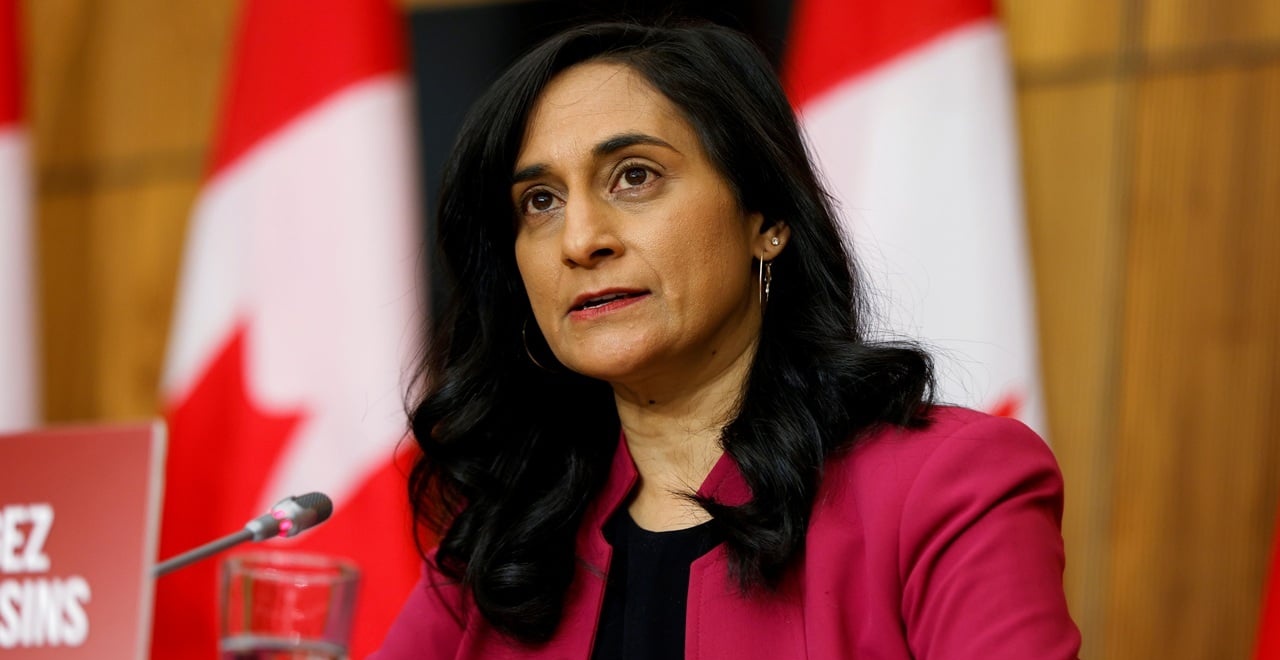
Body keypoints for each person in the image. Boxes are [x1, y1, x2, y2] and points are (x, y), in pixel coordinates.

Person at [374, 20, 1080, 660]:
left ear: (765, 219)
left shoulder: (950, 487)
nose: (580, 240)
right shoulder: (503, 546)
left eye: (635, 177)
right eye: (541, 202)